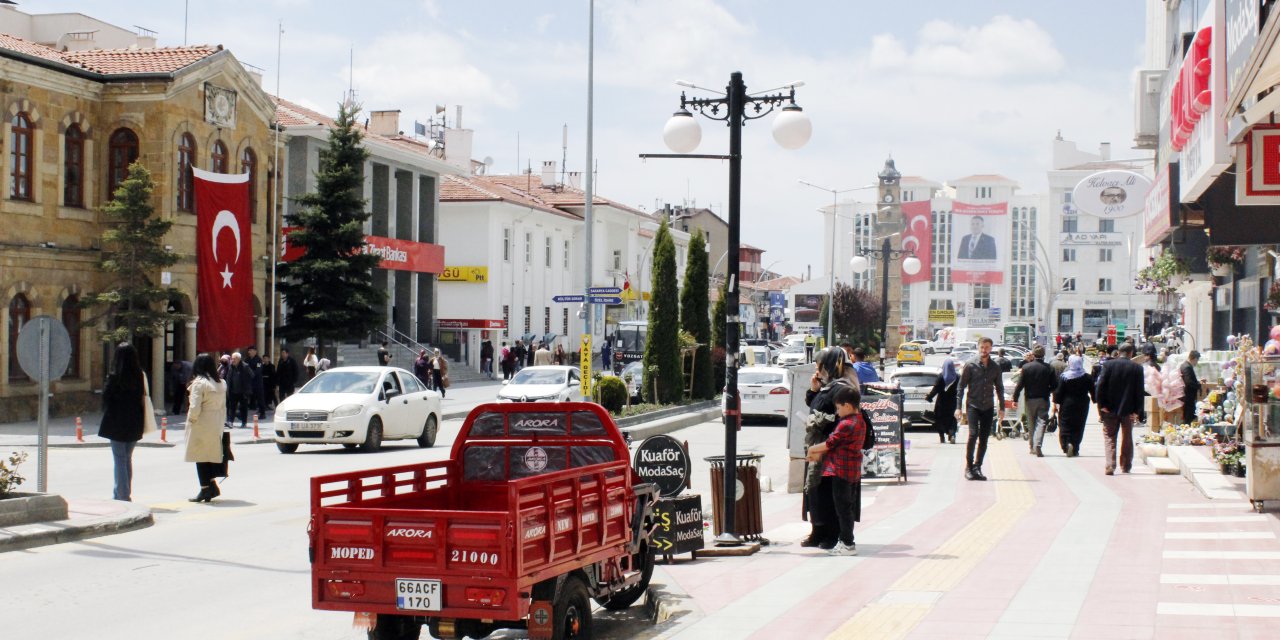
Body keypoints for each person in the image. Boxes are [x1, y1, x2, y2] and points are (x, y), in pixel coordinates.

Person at [801, 347, 854, 550]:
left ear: (829, 366)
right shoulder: (827, 386)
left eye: (819, 366)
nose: (817, 370)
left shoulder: (841, 387)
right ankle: (818, 531)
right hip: (818, 446)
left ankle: (832, 534)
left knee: (827, 493)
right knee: (814, 491)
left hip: (830, 449)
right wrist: (813, 390)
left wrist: (821, 423)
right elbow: (815, 405)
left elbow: (842, 417)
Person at [805, 384, 866, 556]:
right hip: (852, 471)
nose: (837, 412)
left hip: (840, 471)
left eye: (838, 408)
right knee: (847, 508)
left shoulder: (846, 424)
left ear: (847, 405)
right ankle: (846, 542)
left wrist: (812, 450)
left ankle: (847, 543)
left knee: (843, 510)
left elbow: (831, 443)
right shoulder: (859, 420)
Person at [99, 342, 147, 502]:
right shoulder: (139, 375)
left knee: (119, 459)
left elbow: (106, 398)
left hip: (116, 422)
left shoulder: (114, 376)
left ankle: (122, 495)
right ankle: (121, 492)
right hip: (134, 422)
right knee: (127, 458)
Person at [956, 337, 1005, 481]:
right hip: (973, 405)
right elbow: (960, 387)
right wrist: (958, 407)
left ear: (991, 348)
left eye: (987, 348)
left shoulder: (995, 367)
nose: (984, 350)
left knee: (984, 438)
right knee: (973, 434)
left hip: (988, 406)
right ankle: (969, 467)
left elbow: (1000, 388)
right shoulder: (970, 365)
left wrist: (1002, 408)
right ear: (978, 348)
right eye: (982, 347)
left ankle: (978, 467)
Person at [1094, 342, 1146, 475]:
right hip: (1128, 410)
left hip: (1109, 409)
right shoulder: (1137, 368)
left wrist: (1101, 406)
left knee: (1109, 436)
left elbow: (1100, 387)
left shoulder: (1108, 365)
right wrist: (1138, 412)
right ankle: (1126, 465)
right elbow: (1139, 392)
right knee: (1127, 436)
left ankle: (1110, 465)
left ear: (1118, 352)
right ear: (1131, 354)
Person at [185, 354, 227, 503]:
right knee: (210, 455)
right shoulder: (221, 383)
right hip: (216, 422)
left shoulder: (199, 383)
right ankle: (211, 485)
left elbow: (195, 407)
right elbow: (223, 406)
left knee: (200, 457)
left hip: (201, 423)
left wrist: (191, 421)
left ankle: (205, 488)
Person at [1013, 345, 1057, 457]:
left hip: (1029, 399)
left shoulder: (1026, 367)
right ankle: (1038, 444)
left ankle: (1032, 446)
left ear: (1033, 354)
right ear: (1043, 355)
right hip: (1043, 399)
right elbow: (1055, 385)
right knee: (1042, 422)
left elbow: (1020, 385)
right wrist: (1048, 390)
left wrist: (1015, 398)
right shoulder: (1049, 368)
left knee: (1031, 422)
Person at [1054, 355, 1094, 457]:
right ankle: (1075, 446)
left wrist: (1056, 402)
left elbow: (1058, 392)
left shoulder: (1065, 377)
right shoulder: (1087, 377)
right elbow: (1093, 391)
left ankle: (1066, 443)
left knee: (1064, 424)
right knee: (1079, 425)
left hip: (1067, 403)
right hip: (1082, 404)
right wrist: (1095, 400)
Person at [926, 357, 960, 444]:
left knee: (939, 419)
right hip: (953, 402)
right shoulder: (958, 377)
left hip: (941, 402)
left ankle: (942, 437)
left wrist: (929, 397)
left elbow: (935, 389)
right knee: (952, 419)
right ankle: (952, 435)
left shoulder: (941, 377)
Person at [223, 352, 252, 428]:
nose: (232, 360)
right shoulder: (231, 366)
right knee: (231, 407)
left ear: (239, 359)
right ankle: (230, 422)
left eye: (234, 358)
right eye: (232, 358)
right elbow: (228, 378)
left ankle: (244, 422)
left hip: (243, 391)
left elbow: (252, 375)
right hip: (233, 391)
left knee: (243, 407)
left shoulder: (245, 366)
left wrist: (247, 387)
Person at [1179, 350, 1202, 426]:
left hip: (1187, 397)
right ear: (1194, 359)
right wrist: (1198, 385)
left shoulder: (1185, 365)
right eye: (1197, 360)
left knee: (1188, 417)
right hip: (1188, 397)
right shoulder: (1187, 367)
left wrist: (1198, 381)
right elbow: (1189, 382)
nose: (1197, 363)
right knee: (1188, 418)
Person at [245, 345, 266, 420]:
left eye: (251, 350)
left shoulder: (258, 360)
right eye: (249, 350)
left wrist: (252, 374)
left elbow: (258, 370)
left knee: (260, 397)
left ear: (255, 351)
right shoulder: (247, 360)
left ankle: (262, 413)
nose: (249, 352)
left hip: (257, 382)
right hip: (249, 382)